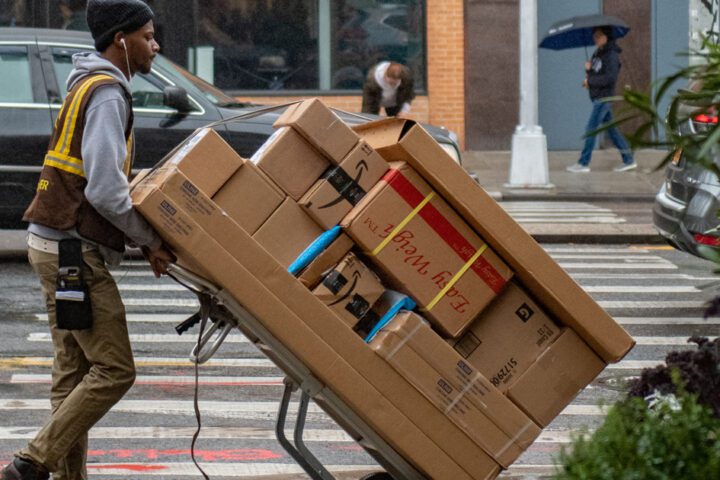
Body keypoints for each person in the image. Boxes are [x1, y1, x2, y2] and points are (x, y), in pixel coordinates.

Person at [1, 1, 173, 479]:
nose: (155, 46)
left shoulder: (86, 84)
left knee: (73, 374)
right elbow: (105, 190)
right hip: (72, 250)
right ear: (122, 39)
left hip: (52, 242)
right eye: (148, 35)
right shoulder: (108, 95)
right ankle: (31, 463)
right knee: (115, 369)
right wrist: (150, 241)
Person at [567, 26, 637, 173]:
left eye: (598, 35)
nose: (595, 38)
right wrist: (588, 70)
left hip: (604, 97)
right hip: (598, 96)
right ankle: (629, 159)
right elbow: (596, 73)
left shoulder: (611, 54)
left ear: (607, 36)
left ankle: (583, 163)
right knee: (612, 131)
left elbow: (610, 78)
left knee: (591, 130)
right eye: (594, 36)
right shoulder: (599, 52)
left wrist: (590, 82)